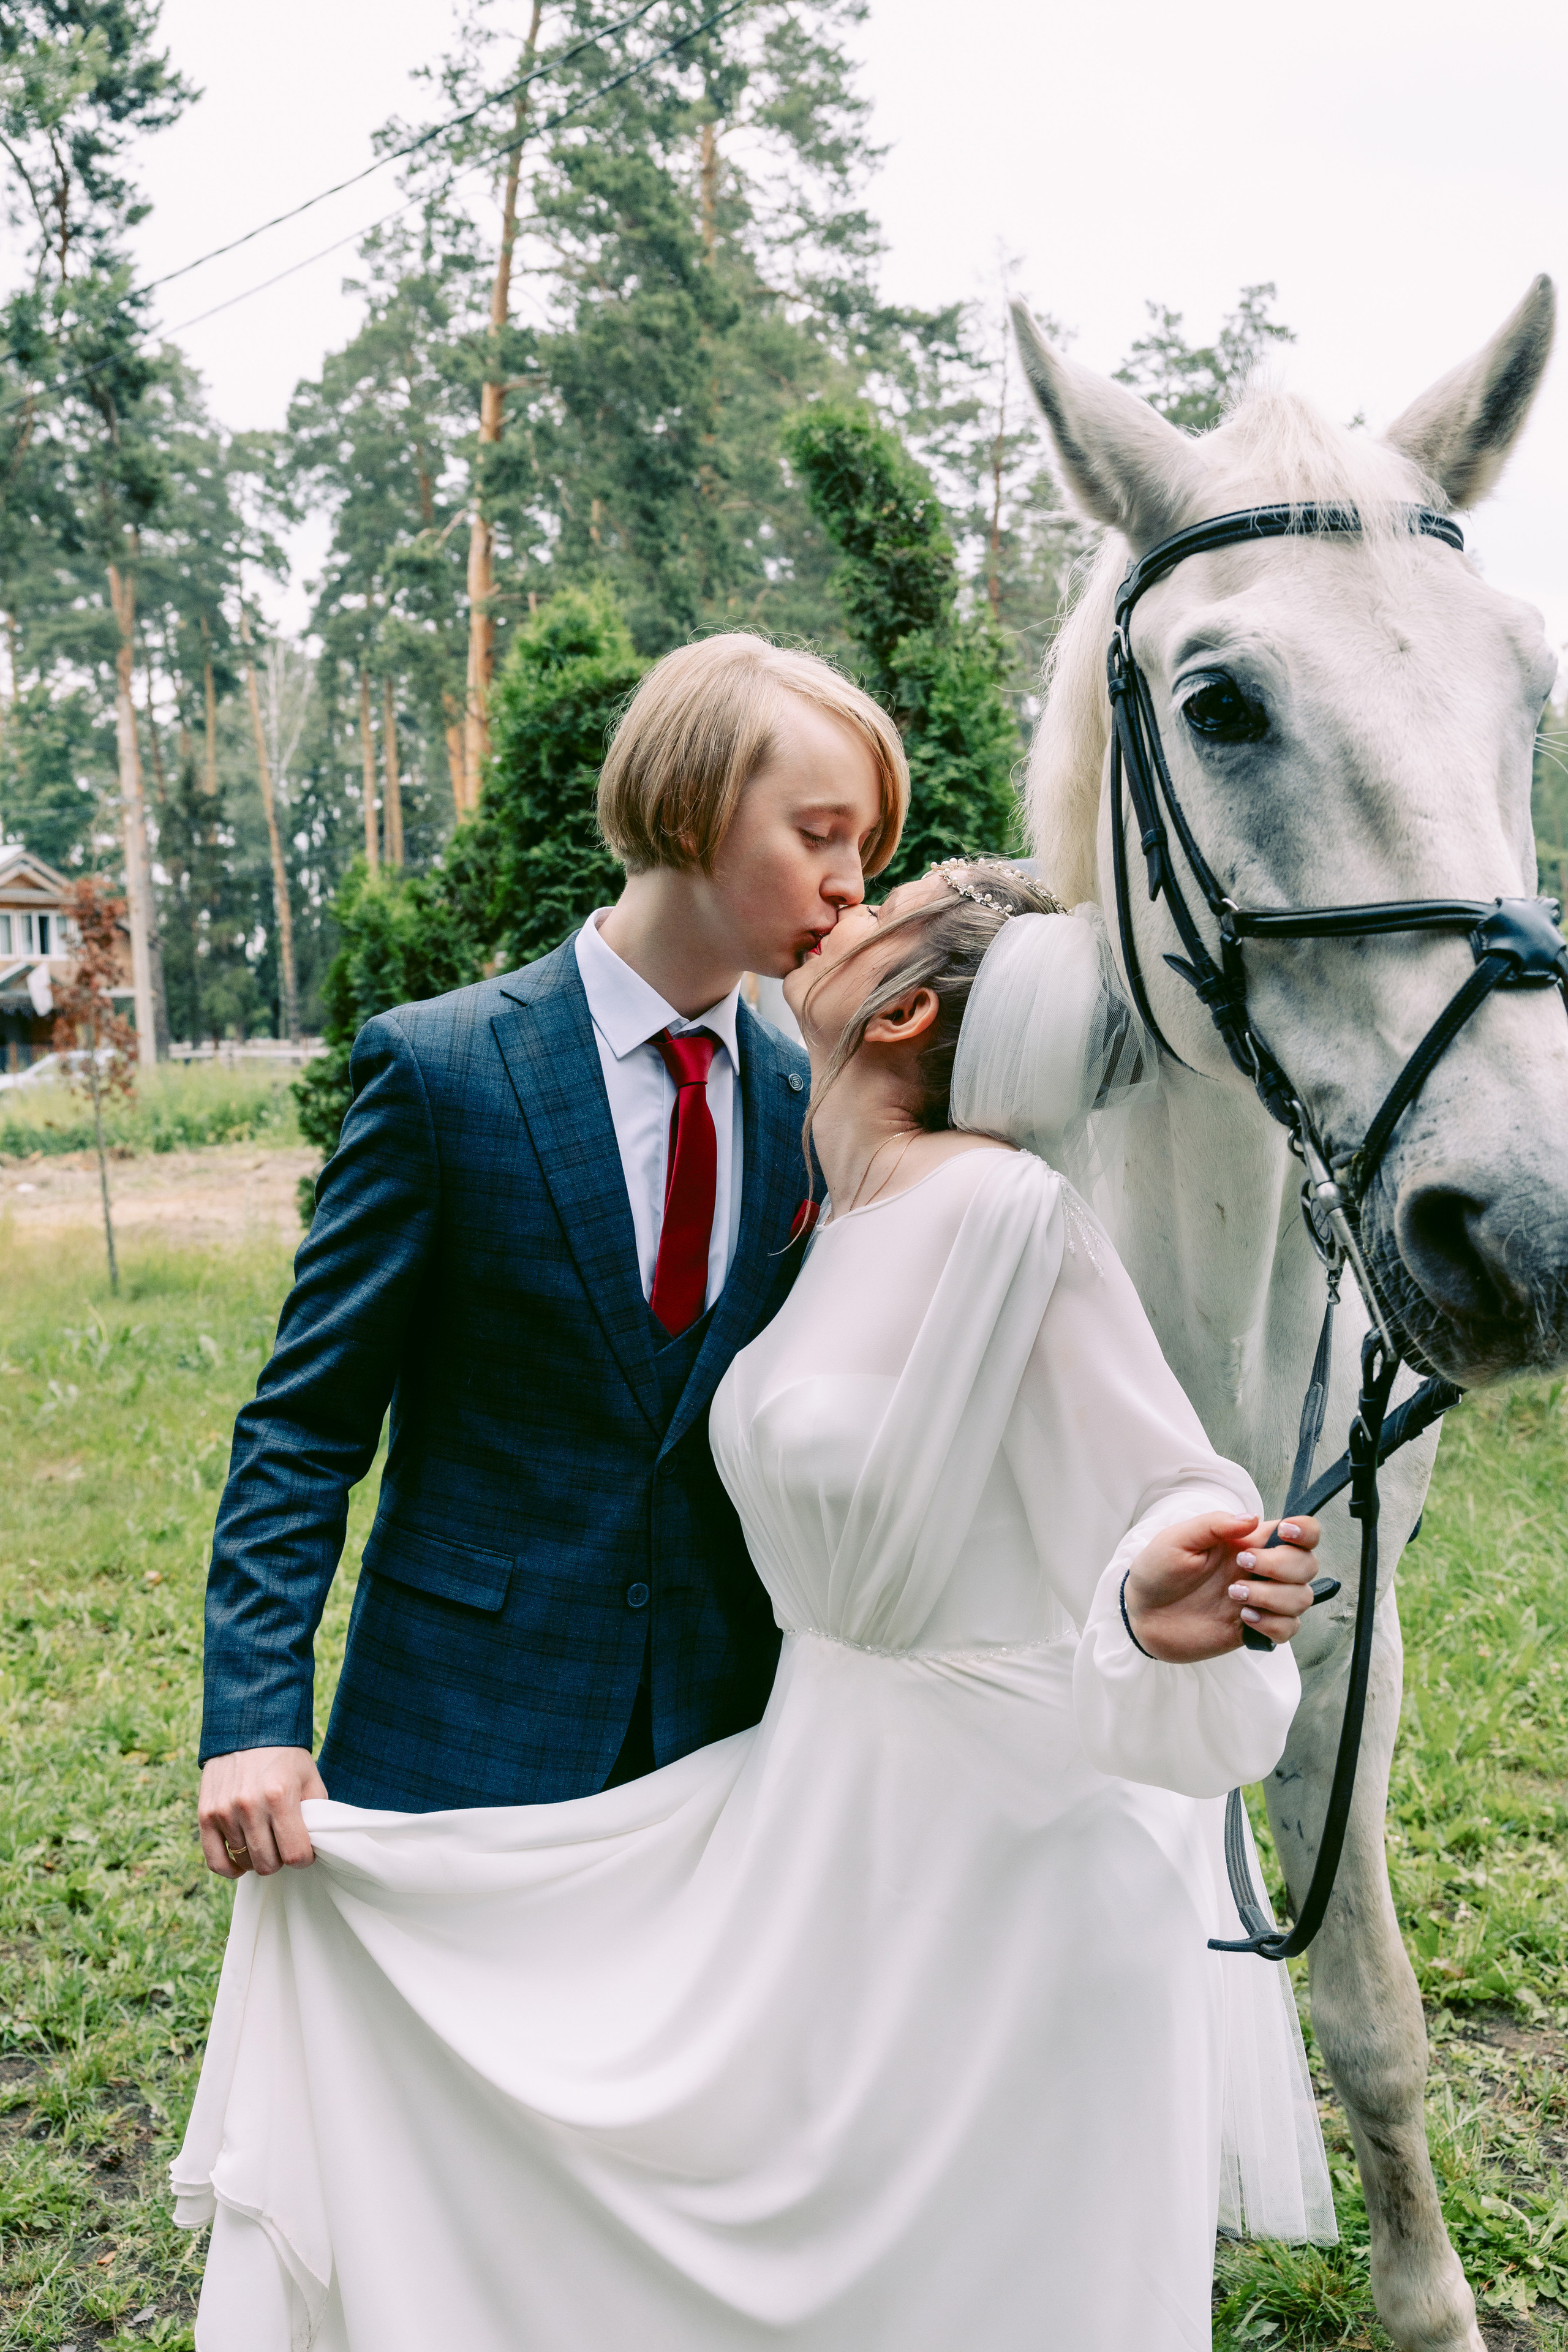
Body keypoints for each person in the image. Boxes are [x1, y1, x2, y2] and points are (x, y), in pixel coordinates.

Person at [175, 858, 1335, 2351]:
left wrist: (1159, 1585)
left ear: (901, 1012)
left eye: (879, 905)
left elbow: (1160, 1479)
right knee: (796, 2246)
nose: (841, 902)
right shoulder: (827, 1200)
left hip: (1000, 1859)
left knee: (969, 2276)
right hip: (817, 1797)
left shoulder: (1006, 1212)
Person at [194, 632, 906, 1869]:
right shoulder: (442, 1070)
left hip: (729, 1745)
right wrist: (254, 1719)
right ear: (690, 810)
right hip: (459, 1728)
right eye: (819, 835)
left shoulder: (817, 1104)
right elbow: (304, 1427)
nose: (850, 886)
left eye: (867, 851)